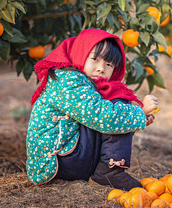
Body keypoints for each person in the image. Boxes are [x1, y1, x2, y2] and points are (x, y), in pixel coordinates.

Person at [26, 28, 158, 190]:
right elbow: (100, 116)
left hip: (63, 155)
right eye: (95, 59)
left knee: (115, 105)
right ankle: (108, 173)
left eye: (109, 64)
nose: (101, 68)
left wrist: (137, 118)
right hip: (58, 161)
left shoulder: (76, 79)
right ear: (81, 53)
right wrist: (138, 113)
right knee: (115, 103)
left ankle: (108, 171)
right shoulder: (69, 80)